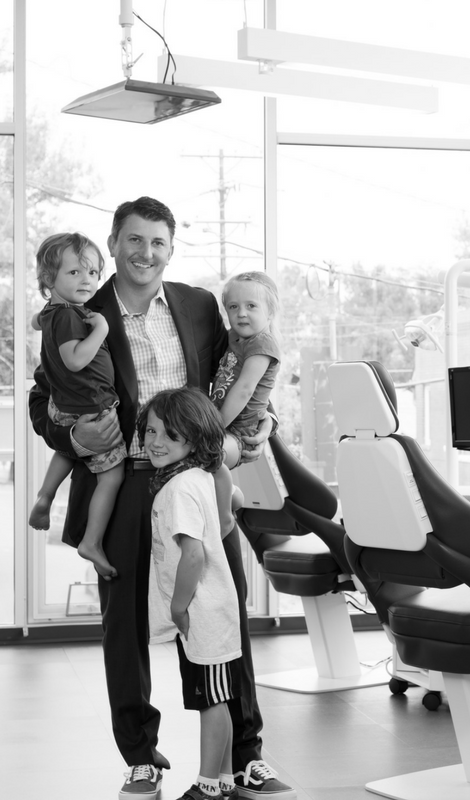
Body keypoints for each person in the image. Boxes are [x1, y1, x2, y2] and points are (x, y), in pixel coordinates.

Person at [29, 197, 294, 800]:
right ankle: (141, 758)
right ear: (113, 243)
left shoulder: (198, 305)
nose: (144, 253)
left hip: (197, 479)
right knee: (125, 626)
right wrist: (73, 437)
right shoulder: (79, 308)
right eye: (133, 240)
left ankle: (247, 756)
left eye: (157, 242)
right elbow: (42, 399)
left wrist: (259, 426)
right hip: (122, 478)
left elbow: (241, 372)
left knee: (222, 612)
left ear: (171, 249)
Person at [140, 387, 242, 800]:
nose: (156, 442)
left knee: (210, 703)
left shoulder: (179, 488)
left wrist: (178, 607)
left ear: (196, 440)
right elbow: (226, 513)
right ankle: (225, 781)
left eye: (171, 435)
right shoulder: (198, 476)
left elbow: (193, 555)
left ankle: (207, 786)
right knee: (217, 699)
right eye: (151, 431)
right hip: (211, 612)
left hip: (202, 613)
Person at [28, 232, 126, 580]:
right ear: (48, 278)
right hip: (90, 406)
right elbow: (74, 360)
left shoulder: (53, 312)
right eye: (75, 272)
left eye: (93, 272)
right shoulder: (72, 316)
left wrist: (43, 314)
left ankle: (46, 495)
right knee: (111, 476)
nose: (86, 280)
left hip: (64, 405)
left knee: (69, 451)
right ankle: (92, 541)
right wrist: (101, 329)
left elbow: (35, 321)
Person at [210, 272, 281, 533]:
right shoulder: (235, 338)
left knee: (209, 455)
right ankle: (230, 496)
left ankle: (227, 512)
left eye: (251, 306)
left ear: (270, 312)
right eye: (233, 306)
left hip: (240, 431)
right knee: (202, 459)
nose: (241, 313)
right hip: (225, 426)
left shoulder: (262, 343)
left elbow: (244, 390)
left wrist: (213, 427)